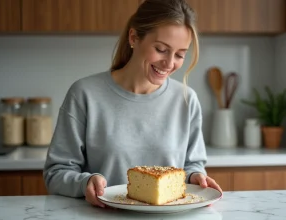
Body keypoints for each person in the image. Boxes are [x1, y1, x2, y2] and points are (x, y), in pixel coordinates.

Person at [43, 0, 222, 208]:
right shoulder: (84, 94)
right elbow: (55, 173)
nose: (170, 63)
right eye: (161, 49)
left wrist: (196, 178)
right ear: (134, 37)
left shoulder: (186, 99)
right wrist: (85, 183)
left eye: (180, 54)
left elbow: (192, 165)